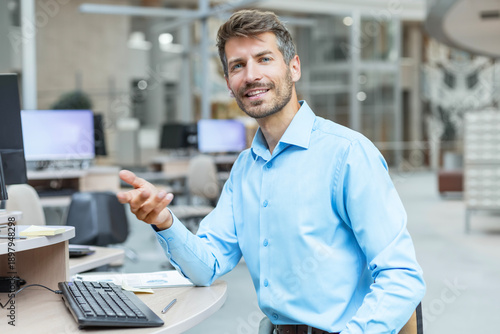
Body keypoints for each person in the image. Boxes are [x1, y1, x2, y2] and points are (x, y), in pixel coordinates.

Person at [117, 9, 426, 334]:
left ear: (293, 67)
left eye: (264, 59)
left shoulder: (347, 154)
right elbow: (207, 266)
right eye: (238, 65)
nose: (251, 75)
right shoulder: (244, 170)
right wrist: (163, 221)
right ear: (228, 83)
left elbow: (401, 277)